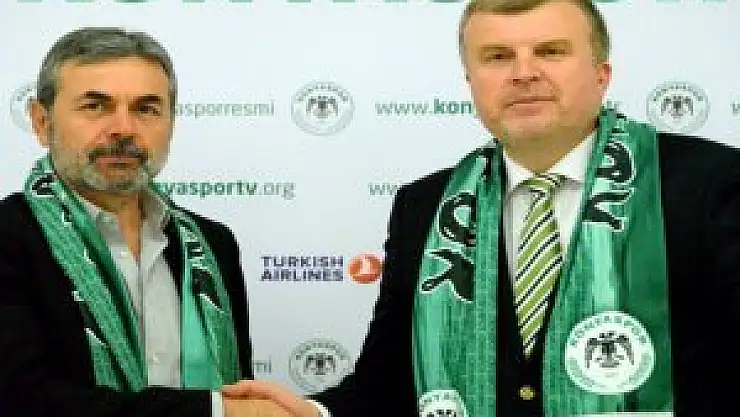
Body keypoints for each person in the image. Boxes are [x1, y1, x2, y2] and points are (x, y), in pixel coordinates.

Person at [230, 0, 740, 415]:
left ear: (602, 74)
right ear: (470, 82)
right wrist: (315, 414)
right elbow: (389, 380)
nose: (524, 73)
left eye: (551, 51)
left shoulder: (710, 183)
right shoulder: (424, 206)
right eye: (497, 57)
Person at [0, 27, 307, 417]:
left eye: (146, 109)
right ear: (42, 122)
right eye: (96, 106)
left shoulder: (212, 244)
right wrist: (217, 412)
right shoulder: (8, 237)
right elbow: (22, 400)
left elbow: (236, 385)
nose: (124, 129)